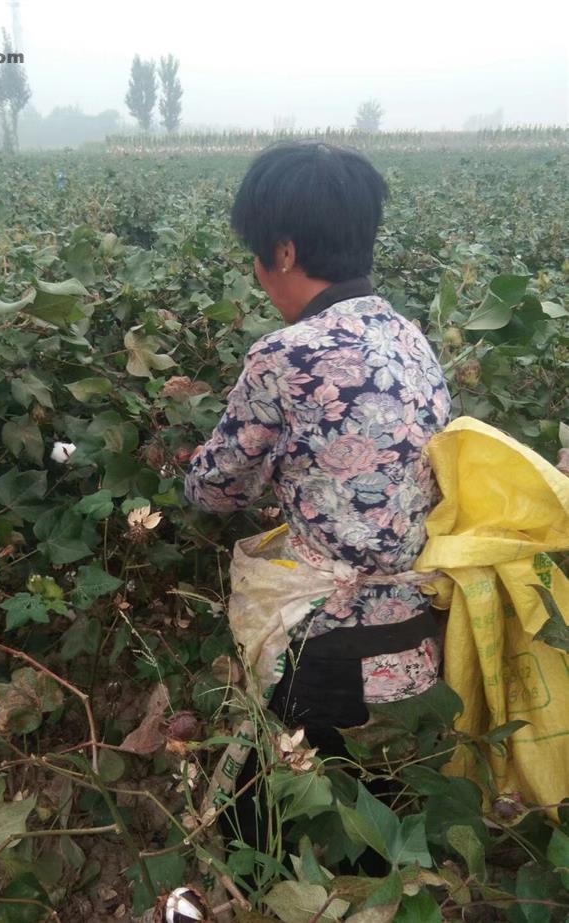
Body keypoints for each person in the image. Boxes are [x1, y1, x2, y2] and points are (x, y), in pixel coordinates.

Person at [183, 142, 452, 865]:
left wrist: (194, 466)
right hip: (420, 637)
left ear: (284, 250)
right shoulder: (411, 338)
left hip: (327, 645)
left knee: (271, 836)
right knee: (384, 822)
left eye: (256, 252)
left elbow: (217, 488)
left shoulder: (286, 355)